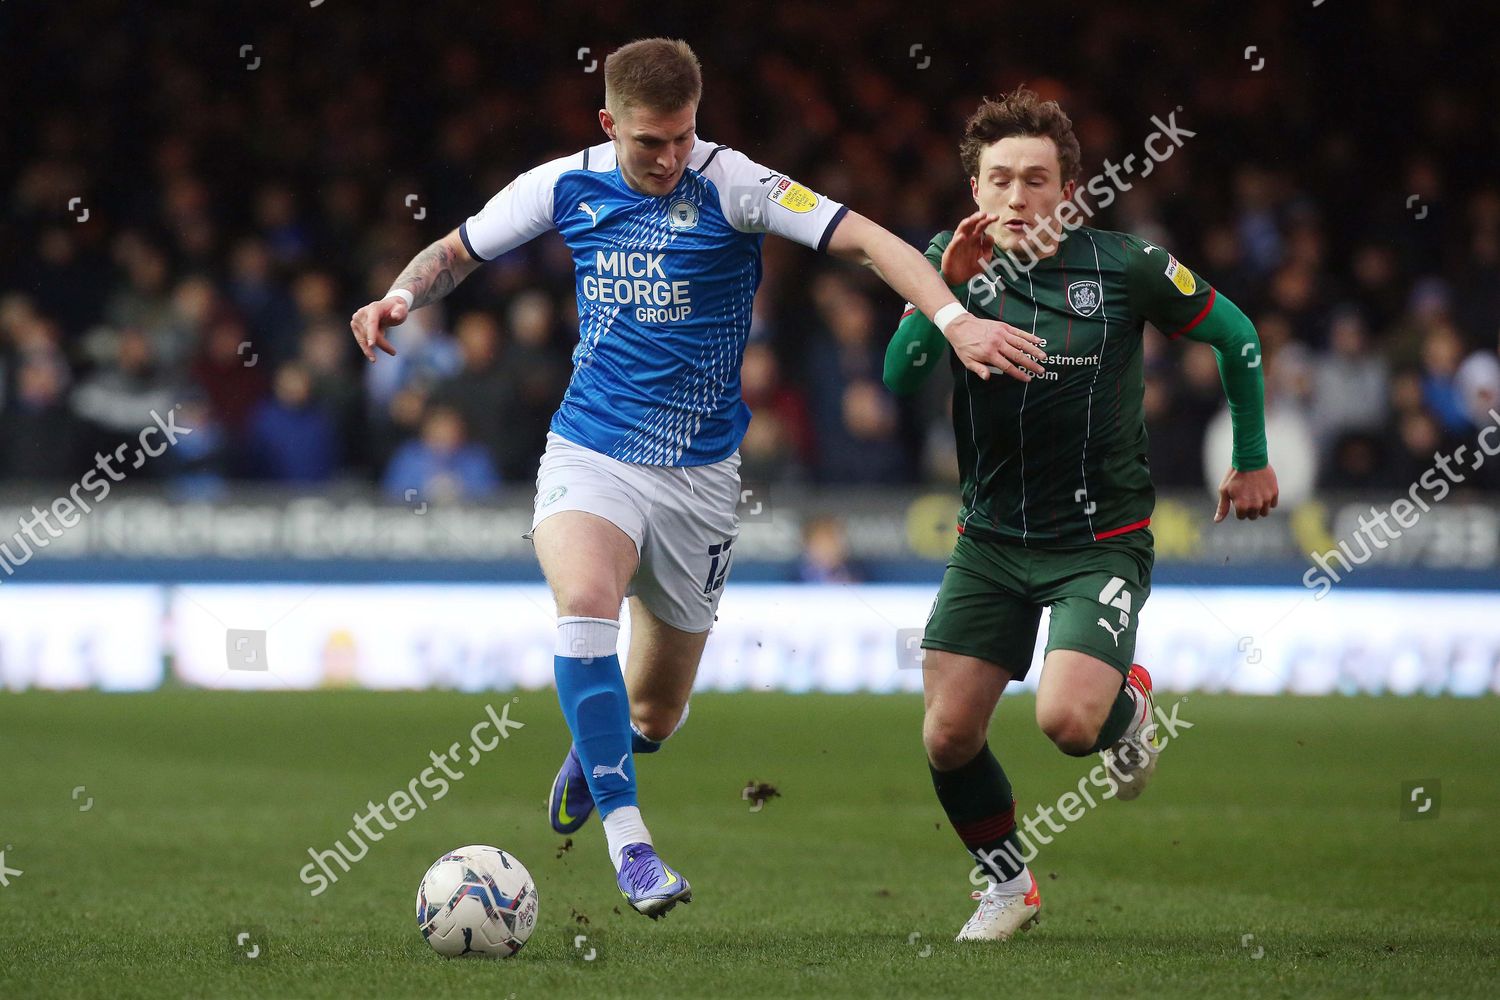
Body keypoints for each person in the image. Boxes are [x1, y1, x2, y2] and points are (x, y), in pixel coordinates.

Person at [349, 38, 1045, 919]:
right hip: (591, 450)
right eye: (649, 142)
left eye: (682, 137)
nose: (670, 157)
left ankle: (605, 745)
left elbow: (868, 241)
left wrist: (951, 320)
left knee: (658, 713)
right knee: (587, 605)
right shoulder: (560, 186)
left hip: (701, 480)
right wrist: (399, 297)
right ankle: (632, 846)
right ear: (609, 125)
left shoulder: (736, 184)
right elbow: (452, 253)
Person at [883, 89, 1278, 942]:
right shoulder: (943, 261)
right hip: (989, 539)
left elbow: (1239, 335)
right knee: (949, 735)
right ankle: (1009, 886)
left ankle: (1129, 708)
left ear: (1069, 189)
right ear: (975, 187)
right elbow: (899, 378)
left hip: (1097, 540)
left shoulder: (1126, 267)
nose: (1016, 199)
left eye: (1035, 180)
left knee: (1067, 723)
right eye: (998, 180)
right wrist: (944, 302)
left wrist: (1250, 454)